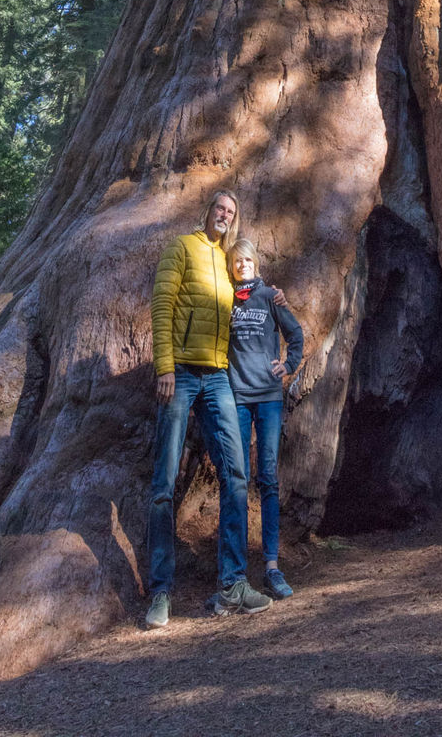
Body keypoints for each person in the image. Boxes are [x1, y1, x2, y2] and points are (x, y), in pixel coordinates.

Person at [144, 189, 272, 628]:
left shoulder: (225, 261)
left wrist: (278, 300)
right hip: (179, 373)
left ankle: (233, 582)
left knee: (236, 473)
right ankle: (160, 592)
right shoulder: (181, 248)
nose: (224, 215)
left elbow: (251, 296)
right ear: (207, 211)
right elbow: (162, 307)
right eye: (220, 208)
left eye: (232, 212)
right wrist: (164, 366)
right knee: (163, 483)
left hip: (218, 377)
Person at [227, 236, 304, 599]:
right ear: (231, 266)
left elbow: (295, 334)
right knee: (238, 481)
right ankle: (237, 570)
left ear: (256, 263)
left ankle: (272, 566)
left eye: (247, 261)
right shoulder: (225, 298)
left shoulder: (270, 297)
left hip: (269, 398)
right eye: (236, 261)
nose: (242, 266)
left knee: (268, 478)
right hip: (237, 399)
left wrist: (287, 365)